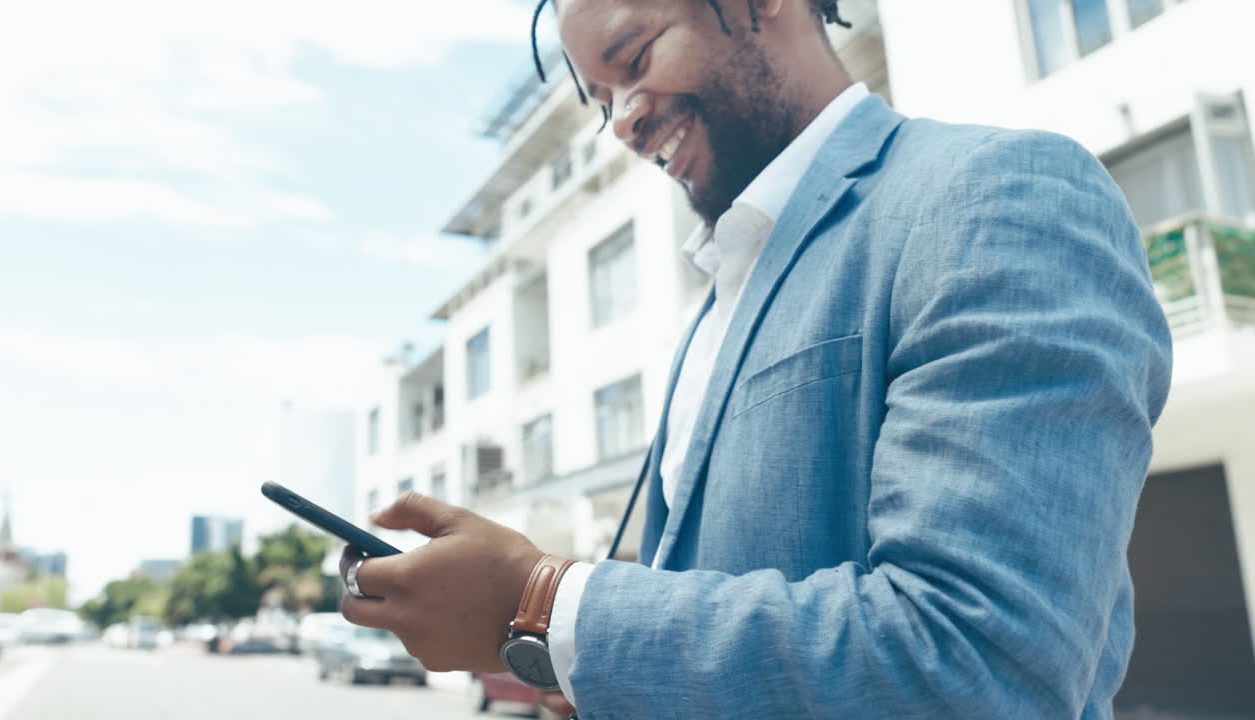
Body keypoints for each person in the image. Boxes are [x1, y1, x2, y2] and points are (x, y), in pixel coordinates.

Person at [338, 0, 1173, 717]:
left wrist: (543, 603)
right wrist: (597, 676)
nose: (624, 118)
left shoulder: (994, 192)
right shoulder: (715, 304)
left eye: (634, 58)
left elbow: (979, 664)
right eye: (601, 100)